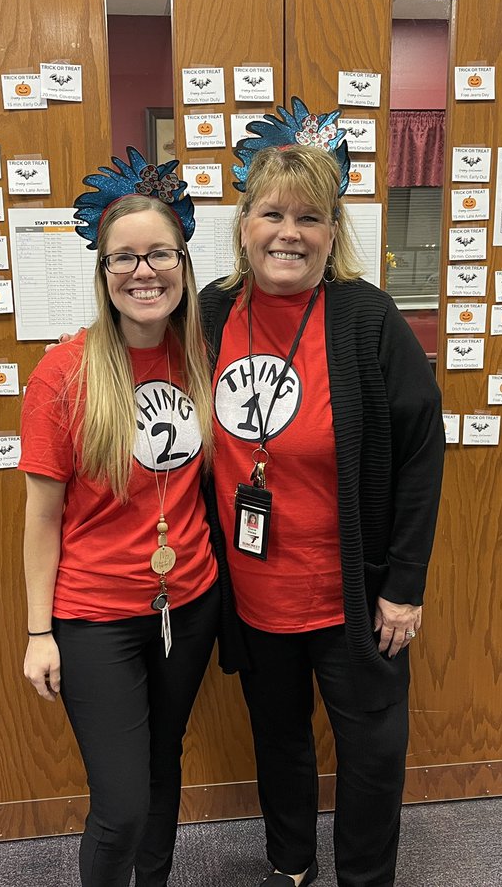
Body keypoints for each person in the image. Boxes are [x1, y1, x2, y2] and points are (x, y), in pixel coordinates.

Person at [200, 100, 445, 887]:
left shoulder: (367, 318)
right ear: (244, 225)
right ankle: (291, 867)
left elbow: (420, 456)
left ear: (332, 233)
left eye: (310, 216)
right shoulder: (206, 316)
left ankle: (364, 880)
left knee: (373, 755)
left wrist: (403, 588)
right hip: (252, 593)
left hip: (354, 597)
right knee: (278, 742)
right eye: (272, 212)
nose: (289, 232)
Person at [19, 149, 220, 887]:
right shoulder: (63, 374)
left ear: (183, 262)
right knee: (123, 803)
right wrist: (40, 632)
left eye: (159, 254)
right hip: (96, 617)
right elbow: (42, 519)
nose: (144, 272)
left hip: (189, 604)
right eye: (123, 258)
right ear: (103, 273)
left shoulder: (199, 353)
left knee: (164, 771)